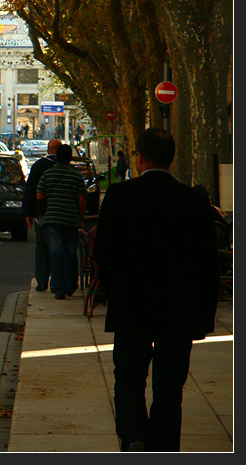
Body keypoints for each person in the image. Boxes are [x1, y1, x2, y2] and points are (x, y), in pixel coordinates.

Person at [93, 128, 219, 452]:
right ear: (172, 159)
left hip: (132, 307)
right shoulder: (195, 200)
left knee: (129, 380)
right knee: (169, 390)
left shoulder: (120, 196)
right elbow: (209, 264)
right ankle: (163, 450)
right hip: (179, 311)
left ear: (138, 158)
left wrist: (115, 291)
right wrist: (206, 315)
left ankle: (134, 436)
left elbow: (103, 254)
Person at [36, 143, 86, 299]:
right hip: (71, 219)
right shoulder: (77, 176)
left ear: (56, 157)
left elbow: (39, 196)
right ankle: (71, 284)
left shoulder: (48, 174)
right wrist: (81, 219)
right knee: (71, 252)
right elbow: (81, 201)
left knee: (56, 252)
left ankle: (58, 288)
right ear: (71, 158)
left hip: (52, 219)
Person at [23, 138, 61, 292]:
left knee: (41, 247)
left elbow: (31, 189)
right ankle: (57, 282)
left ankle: (42, 280)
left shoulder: (39, 166)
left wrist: (28, 212)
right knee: (58, 247)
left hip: (42, 214)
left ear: (48, 150)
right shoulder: (65, 167)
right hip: (60, 214)